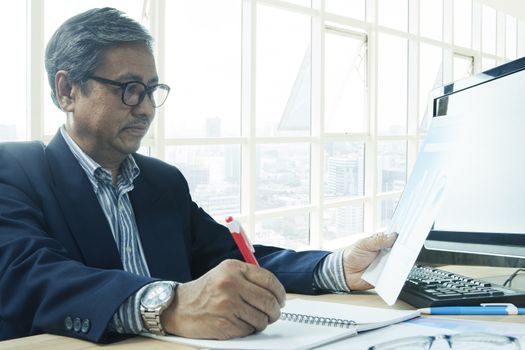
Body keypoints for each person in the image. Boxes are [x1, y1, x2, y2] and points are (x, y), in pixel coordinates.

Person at [0, 7, 396, 343]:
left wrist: (336, 268)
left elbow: (232, 257)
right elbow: (30, 279)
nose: (145, 109)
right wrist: (168, 305)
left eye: (152, 90)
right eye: (129, 89)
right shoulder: (16, 171)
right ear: (67, 90)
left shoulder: (163, 181)